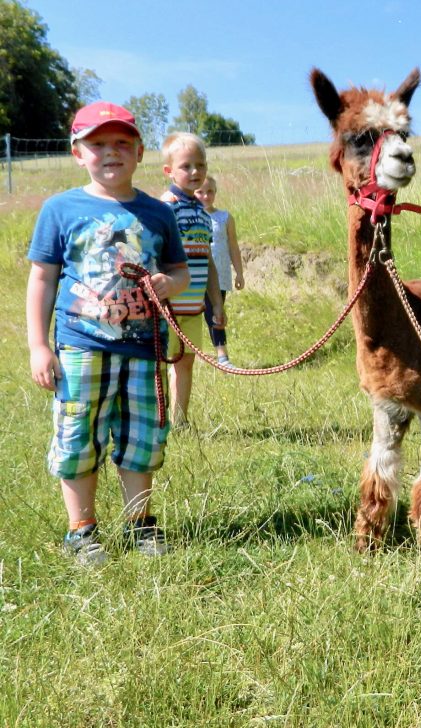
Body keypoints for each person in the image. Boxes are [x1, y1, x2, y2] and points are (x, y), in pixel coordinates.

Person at [26, 101, 190, 565]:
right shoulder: (60, 209)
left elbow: (180, 272)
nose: (110, 152)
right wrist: (40, 346)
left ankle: (140, 524)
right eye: (98, 144)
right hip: (81, 346)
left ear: (139, 152)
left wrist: (168, 283)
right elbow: (42, 278)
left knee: (143, 437)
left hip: (144, 348)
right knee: (79, 434)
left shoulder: (158, 213)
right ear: (78, 152)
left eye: (122, 143)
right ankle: (82, 528)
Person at [159, 132, 224, 426]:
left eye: (201, 165)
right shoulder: (165, 208)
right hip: (166, 307)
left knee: (186, 362)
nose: (195, 171)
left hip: (193, 308)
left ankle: (180, 420)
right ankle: (157, 416)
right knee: (159, 363)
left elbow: (208, 261)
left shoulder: (202, 212)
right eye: (186, 166)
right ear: (169, 171)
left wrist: (216, 304)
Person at [195, 176, 244, 367]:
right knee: (192, 314)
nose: (205, 196)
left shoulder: (224, 218)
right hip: (196, 273)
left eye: (210, 192)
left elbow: (233, 246)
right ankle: (192, 350)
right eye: (200, 192)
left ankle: (222, 355)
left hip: (219, 275)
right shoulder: (189, 216)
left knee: (216, 312)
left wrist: (239, 272)